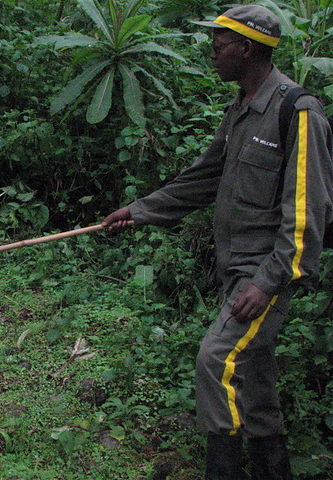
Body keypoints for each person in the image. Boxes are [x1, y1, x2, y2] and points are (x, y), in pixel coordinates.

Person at [102, 4, 333, 480]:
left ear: (246, 49)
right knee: (256, 377)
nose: (212, 53)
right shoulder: (240, 111)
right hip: (237, 269)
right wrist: (140, 210)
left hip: (265, 273)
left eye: (219, 45)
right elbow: (204, 178)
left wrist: (269, 282)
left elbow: (308, 209)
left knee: (216, 359)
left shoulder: (298, 110)